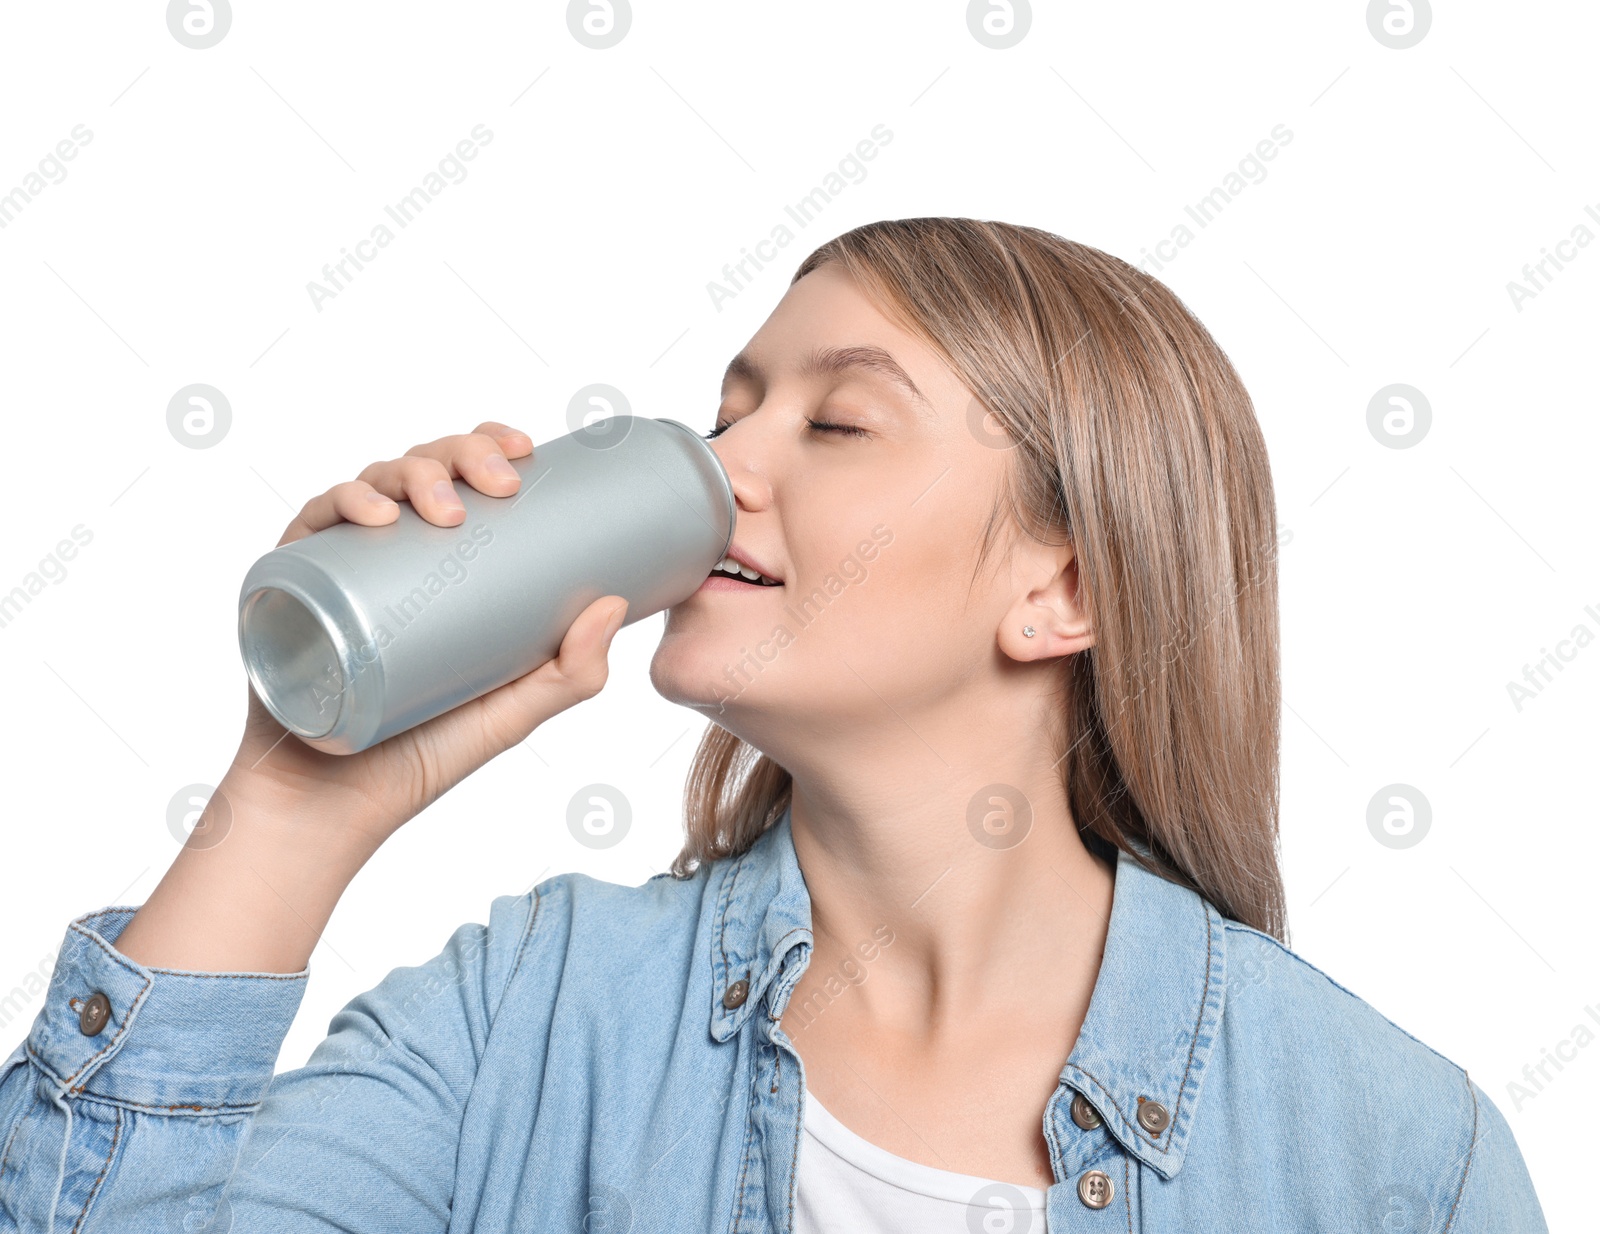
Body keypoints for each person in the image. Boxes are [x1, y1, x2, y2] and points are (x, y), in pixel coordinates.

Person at [0, 218, 1547, 1232]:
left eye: (838, 420)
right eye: (731, 404)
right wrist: (291, 807)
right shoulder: (524, 1021)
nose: (723, 460)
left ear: (1060, 584)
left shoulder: (1398, 1160)